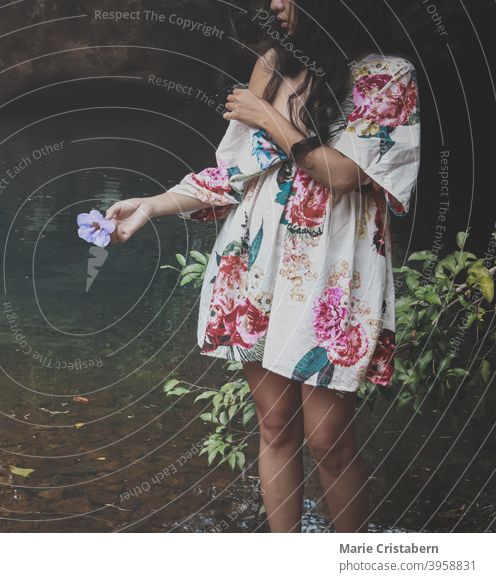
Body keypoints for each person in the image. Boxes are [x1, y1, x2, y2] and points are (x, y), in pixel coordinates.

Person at [105, 0, 420, 533]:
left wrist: (267, 115)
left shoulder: (387, 77)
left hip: (333, 274)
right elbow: (232, 174)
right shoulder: (274, 64)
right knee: (275, 426)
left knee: (328, 439)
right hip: (257, 263)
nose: (274, 3)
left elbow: (342, 174)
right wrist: (152, 204)